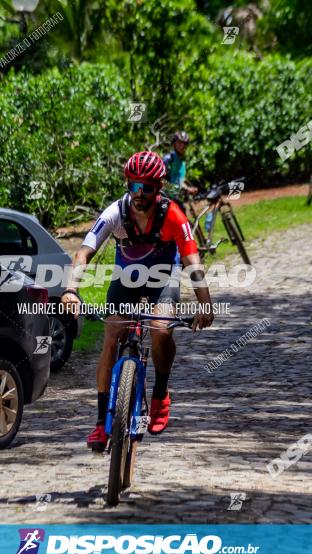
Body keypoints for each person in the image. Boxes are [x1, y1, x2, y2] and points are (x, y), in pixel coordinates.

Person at [62, 151, 214, 452]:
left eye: (147, 187)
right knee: (111, 335)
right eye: (134, 186)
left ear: (159, 187)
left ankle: (160, 393)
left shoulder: (173, 216)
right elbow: (83, 253)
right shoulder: (115, 212)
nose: (140, 194)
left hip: (162, 277)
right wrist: (71, 289)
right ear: (127, 185)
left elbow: (192, 261)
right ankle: (100, 423)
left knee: (160, 328)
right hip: (127, 279)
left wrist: (205, 303)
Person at [163, 131, 199, 202]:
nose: (182, 146)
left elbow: (179, 180)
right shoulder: (168, 159)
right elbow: (161, 181)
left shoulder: (181, 161)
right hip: (166, 198)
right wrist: (179, 189)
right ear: (174, 144)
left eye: (185, 144)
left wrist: (188, 188)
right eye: (179, 143)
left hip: (176, 197)